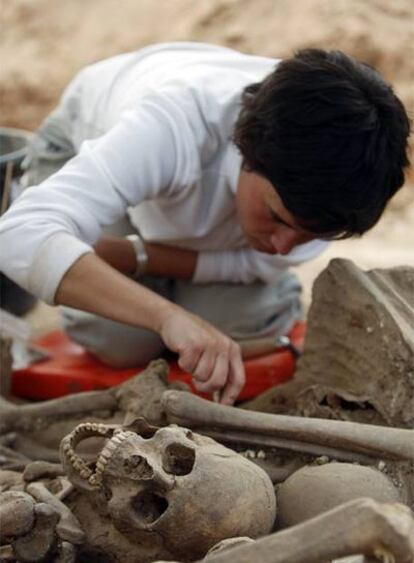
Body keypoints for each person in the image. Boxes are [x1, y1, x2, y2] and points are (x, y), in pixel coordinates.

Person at [0, 43, 410, 404]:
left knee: (230, 336)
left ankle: (246, 295)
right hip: (94, 144)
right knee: (122, 342)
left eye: (309, 236)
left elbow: (248, 263)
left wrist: (129, 256)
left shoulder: (332, 186)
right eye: (277, 218)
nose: (286, 247)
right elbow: (19, 235)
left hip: (180, 216)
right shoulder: (174, 124)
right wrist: (167, 317)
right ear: (247, 149)